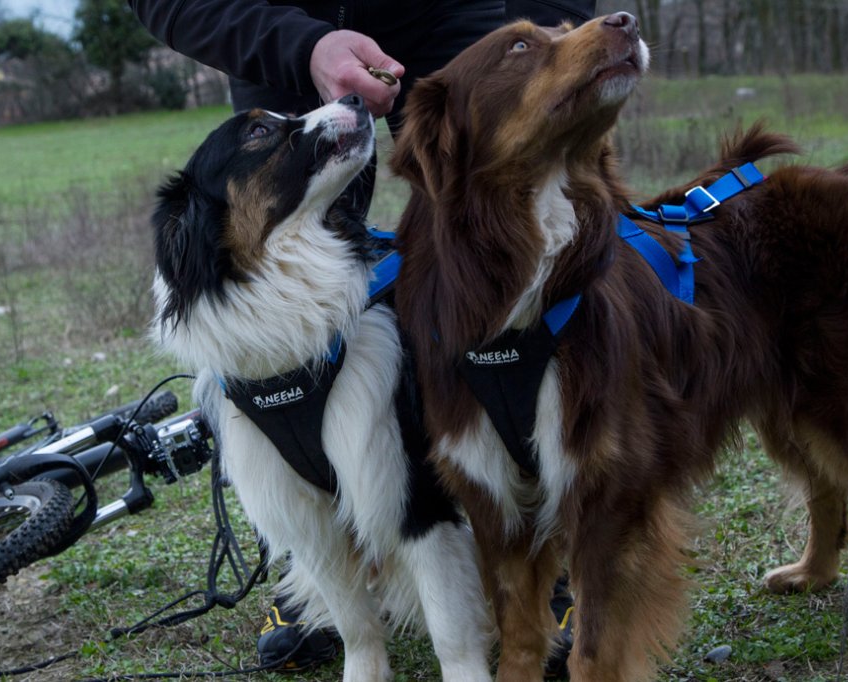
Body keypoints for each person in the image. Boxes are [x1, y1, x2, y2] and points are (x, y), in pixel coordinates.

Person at [127, 0, 595, 673]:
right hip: (284, 24)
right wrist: (300, 46)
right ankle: (318, 575)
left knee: (521, 280)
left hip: (473, 17)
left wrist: (551, 33)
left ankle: (543, 558)